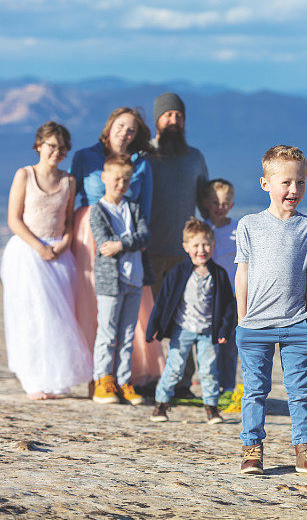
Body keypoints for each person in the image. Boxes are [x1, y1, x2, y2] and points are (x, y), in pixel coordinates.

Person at [234, 145, 307, 476]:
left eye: (301, 182)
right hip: (255, 325)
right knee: (254, 391)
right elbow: (243, 272)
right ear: (266, 183)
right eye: (286, 182)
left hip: (297, 325)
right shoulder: (249, 224)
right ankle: (252, 450)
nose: (294, 190)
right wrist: (241, 319)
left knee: (300, 390)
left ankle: (305, 450)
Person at [69, 107, 164, 389]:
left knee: (128, 313)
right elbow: (71, 197)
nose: (125, 133)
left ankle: (124, 376)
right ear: (109, 126)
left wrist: (141, 243)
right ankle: (92, 373)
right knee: (88, 303)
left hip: (128, 239)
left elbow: (144, 206)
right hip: (88, 234)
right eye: (121, 126)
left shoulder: (142, 164)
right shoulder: (85, 157)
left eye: (132, 129)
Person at [0, 122, 93, 400]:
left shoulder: (69, 181)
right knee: (30, 316)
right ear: (39, 145)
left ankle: (56, 378)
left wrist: (64, 243)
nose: (57, 152)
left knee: (58, 317)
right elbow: (14, 219)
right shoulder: (24, 175)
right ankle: (33, 379)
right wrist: (38, 247)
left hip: (59, 257)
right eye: (52, 145)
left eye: (62, 148)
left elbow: (67, 221)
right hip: (27, 252)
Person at [148, 92, 209, 399]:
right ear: (157, 119)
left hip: (185, 255)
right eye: (168, 115)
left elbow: (206, 203)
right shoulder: (144, 155)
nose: (174, 120)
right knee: (148, 320)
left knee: (186, 321)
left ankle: (182, 384)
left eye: (179, 116)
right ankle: (145, 377)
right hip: (147, 252)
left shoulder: (195, 157)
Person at [146, 218, 236, 423]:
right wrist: (153, 327)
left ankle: (212, 408)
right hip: (183, 328)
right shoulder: (177, 273)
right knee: (174, 367)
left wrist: (224, 330)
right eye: (195, 245)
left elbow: (228, 306)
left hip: (208, 331)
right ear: (186, 247)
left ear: (213, 245)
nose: (201, 250)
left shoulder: (219, 275)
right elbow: (162, 302)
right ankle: (161, 404)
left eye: (205, 244)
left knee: (208, 370)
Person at [89, 154, 153, 406]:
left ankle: (124, 380)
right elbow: (104, 244)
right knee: (107, 333)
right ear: (105, 178)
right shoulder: (98, 211)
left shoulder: (134, 208)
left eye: (126, 180)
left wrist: (122, 243)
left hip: (134, 279)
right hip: (110, 282)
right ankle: (103, 380)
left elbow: (145, 236)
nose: (121, 184)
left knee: (127, 335)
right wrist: (130, 242)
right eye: (116, 179)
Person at [201, 178, 239, 395]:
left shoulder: (237, 230)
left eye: (224, 203)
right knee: (208, 345)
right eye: (215, 202)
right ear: (206, 202)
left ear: (231, 205)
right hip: (206, 296)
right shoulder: (202, 228)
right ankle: (210, 386)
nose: (219, 208)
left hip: (231, 297)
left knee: (229, 345)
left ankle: (228, 386)